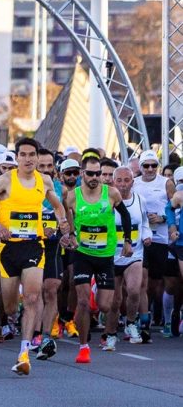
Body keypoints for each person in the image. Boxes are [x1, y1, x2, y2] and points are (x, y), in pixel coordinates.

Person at [0, 138, 69, 376]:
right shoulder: (6, 180)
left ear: (38, 158)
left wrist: (58, 226)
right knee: (9, 306)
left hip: (34, 246)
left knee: (32, 297)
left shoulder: (44, 180)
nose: (28, 159)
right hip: (8, 248)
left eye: (32, 155)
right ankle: (2, 316)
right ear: (17, 158)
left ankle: (24, 353)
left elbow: (58, 207)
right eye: (23, 155)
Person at [65, 154, 132, 363]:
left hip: (105, 255)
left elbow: (126, 215)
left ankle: (86, 312)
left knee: (104, 306)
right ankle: (84, 347)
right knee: (83, 302)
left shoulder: (111, 193)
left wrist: (127, 241)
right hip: (83, 254)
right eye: (91, 173)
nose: (95, 177)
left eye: (98, 174)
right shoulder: (72, 196)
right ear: (82, 173)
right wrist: (70, 235)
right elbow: (67, 217)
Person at [133, 149, 173, 343]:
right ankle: (142, 321)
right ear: (140, 167)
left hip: (161, 237)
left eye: (153, 165)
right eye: (146, 165)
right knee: (142, 280)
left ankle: (154, 314)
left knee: (156, 284)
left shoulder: (165, 183)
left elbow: (176, 207)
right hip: (141, 237)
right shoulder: (134, 183)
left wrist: (163, 218)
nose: (150, 169)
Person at [111, 166, 150, 348]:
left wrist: (146, 235)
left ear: (133, 182)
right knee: (114, 298)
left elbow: (144, 223)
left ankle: (131, 322)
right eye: (119, 180)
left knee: (134, 290)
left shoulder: (139, 200)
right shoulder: (107, 201)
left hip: (135, 252)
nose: (123, 185)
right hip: (111, 254)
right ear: (113, 182)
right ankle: (110, 331)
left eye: (127, 180)